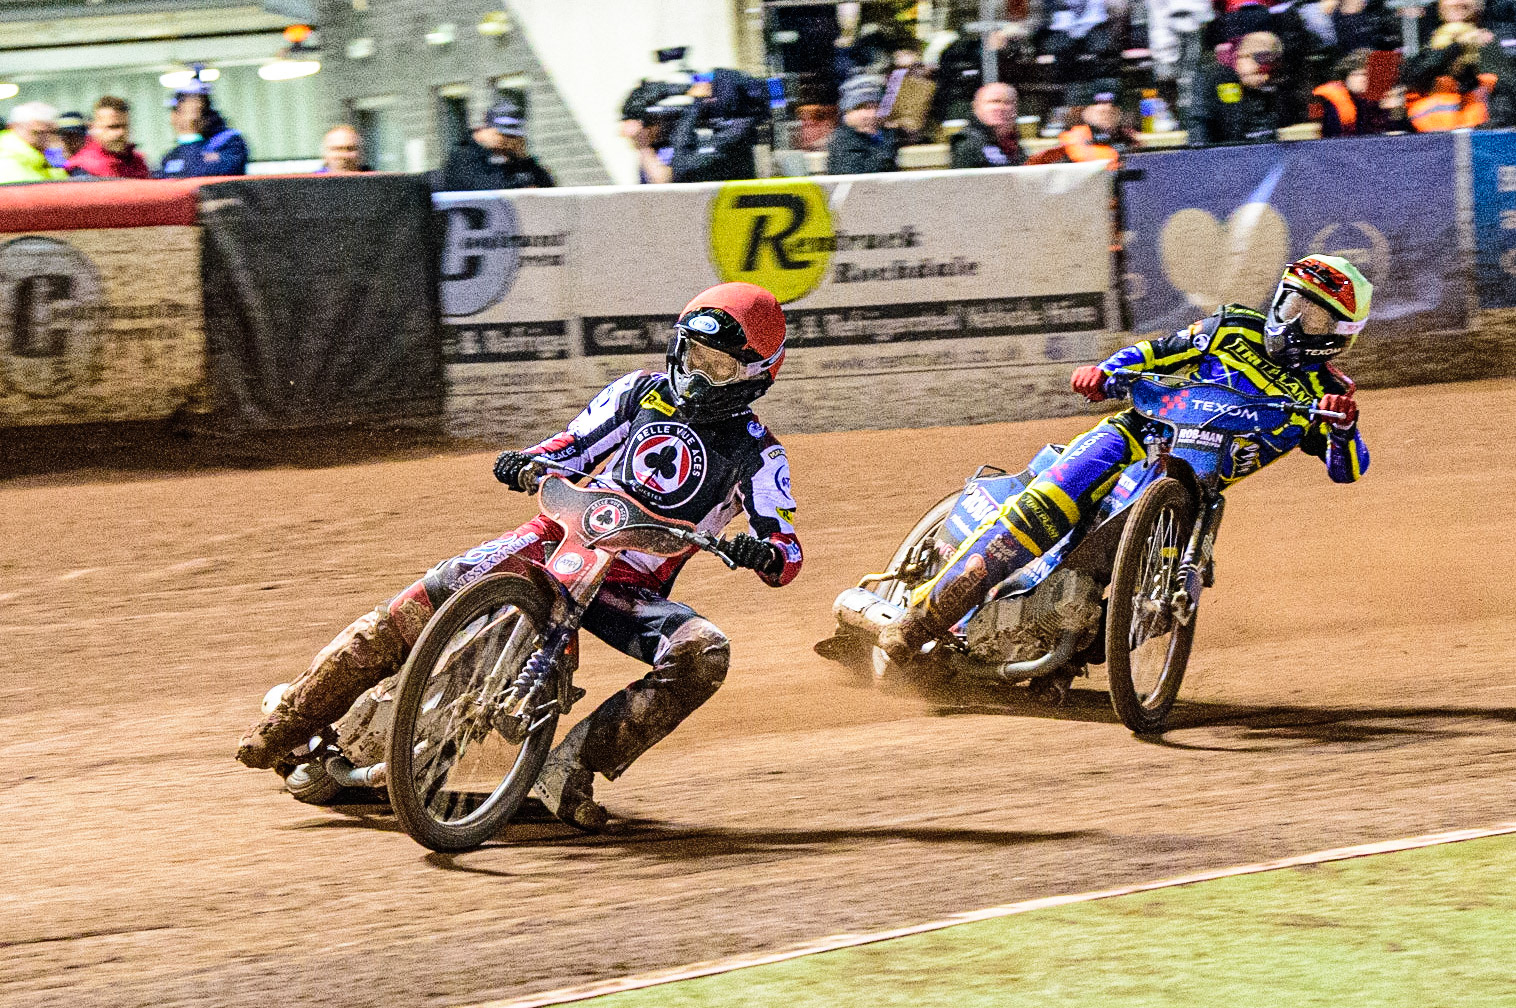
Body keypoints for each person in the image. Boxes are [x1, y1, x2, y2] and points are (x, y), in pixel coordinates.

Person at [236, 282, 804, 831]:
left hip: (628, 587)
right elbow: (571, 445)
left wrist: (764, 554)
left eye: (718, 365)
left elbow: (788, 548)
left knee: (704, 653)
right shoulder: (638, 392)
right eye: (694, 354)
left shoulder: (759, 453)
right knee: (431, 592)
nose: (698, 372)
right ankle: (292, 718)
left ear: (755, 373)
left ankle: (570, 767)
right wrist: (527, 460)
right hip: (556, 536)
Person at [879, 255, 1372, 664]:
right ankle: (918, 619)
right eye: (1291, 304)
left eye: (1313, 317)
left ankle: (1070, 652)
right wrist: (1105, 372)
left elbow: (1348, 468)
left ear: (1338, 335)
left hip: (1195, 489)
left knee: (1167, 596)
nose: (1293, 321)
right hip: (1135, 435)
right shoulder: (1233, 325)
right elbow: (1157, 351)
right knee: (1045, 505)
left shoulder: (1327, 392)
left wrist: (1343, 427)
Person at [1188, 30, 1303, 144]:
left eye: (1273, 61)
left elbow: (1292, 120)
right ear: (1240, 57)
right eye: (1261, 58)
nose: (1265, 70)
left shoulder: (1277, 89)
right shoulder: (1216, 81)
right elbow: (1200, 129)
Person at [435, 96, 555, 191]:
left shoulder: (512, 158)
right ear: (486, 130)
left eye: (513, 137)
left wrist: (523, 159)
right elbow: (488, 188)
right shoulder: (463, 155)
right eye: (503, 135)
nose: (508, 142)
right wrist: (522, 186)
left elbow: (547, 186)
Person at [1311, 49, 1409, 135]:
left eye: (1367, 74)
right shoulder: (1333, 106)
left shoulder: (1380, 102)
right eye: (1357, 74)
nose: (1363, 79)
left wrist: (1396, 115)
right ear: (1345, 78)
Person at [159, 85, 249, 178]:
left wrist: (191, 131)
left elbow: (199, 175)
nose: (173, 119)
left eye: (180, 111)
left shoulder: (229, 141)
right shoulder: (171, 155)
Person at [826, 75, 900, 175]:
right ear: (847, 112)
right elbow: (859, 177)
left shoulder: (886, 135)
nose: (871, 115)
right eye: (862, 107)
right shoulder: (843, 142)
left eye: (876, 107)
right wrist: (887, 146)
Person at [67, 96, 151, 179]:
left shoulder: (138, 162)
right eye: (112, 127)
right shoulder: (82, 167)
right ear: (93, 127)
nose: (121, 132)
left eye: (124, 126)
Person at [949, 82, 1027, 169]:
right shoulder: (968, 143)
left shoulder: (1012, 143)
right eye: (993, 102)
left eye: (1007, 102)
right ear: (976, 107)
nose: (1000, 108)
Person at [0, 102, 66, 184]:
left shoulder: (42, 160)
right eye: (38, 132)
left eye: (54, 132)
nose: (48, 137)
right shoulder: (7, 162)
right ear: (14, 127)